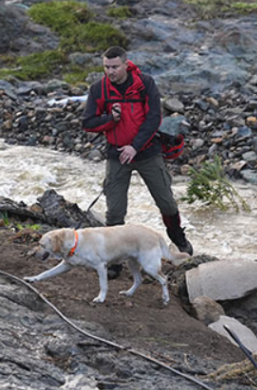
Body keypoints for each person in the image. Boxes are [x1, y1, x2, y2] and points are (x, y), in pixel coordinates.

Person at [82, 46, 194, 256]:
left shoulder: (144, 83)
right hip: (117, 155)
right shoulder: (99, 89)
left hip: (147, 152)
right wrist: (110, 119)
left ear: (126, 64)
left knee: (167, 203)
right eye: (106, 67)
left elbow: (154, 119)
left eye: (115, 66)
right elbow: (88, 122)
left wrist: (134, 146)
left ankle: (180, 241)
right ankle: (113, 258)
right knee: (115, 212)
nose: (111, 71)